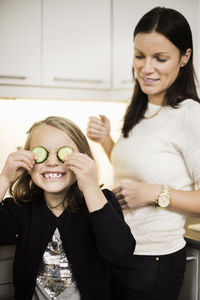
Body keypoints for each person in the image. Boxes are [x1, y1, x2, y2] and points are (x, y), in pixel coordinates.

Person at [87, 6, 200, 300]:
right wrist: (107, 143)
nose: (146, 68)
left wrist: (154, 193)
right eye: (139, 55)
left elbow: (147, 186)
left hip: (155, 261)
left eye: (160, 58)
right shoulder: (137, 106)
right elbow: (136, 172)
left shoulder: (191, 116)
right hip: (118, 249)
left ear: (184, 57)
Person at [0, 116, 135, 300]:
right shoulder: (22, 207)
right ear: (28, 163)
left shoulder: (100, 201)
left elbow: (120, 254)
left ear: (84, 159)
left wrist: (90, 187)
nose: (53, 162)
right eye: (42, 153)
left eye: (63, 153)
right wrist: (4, 179)